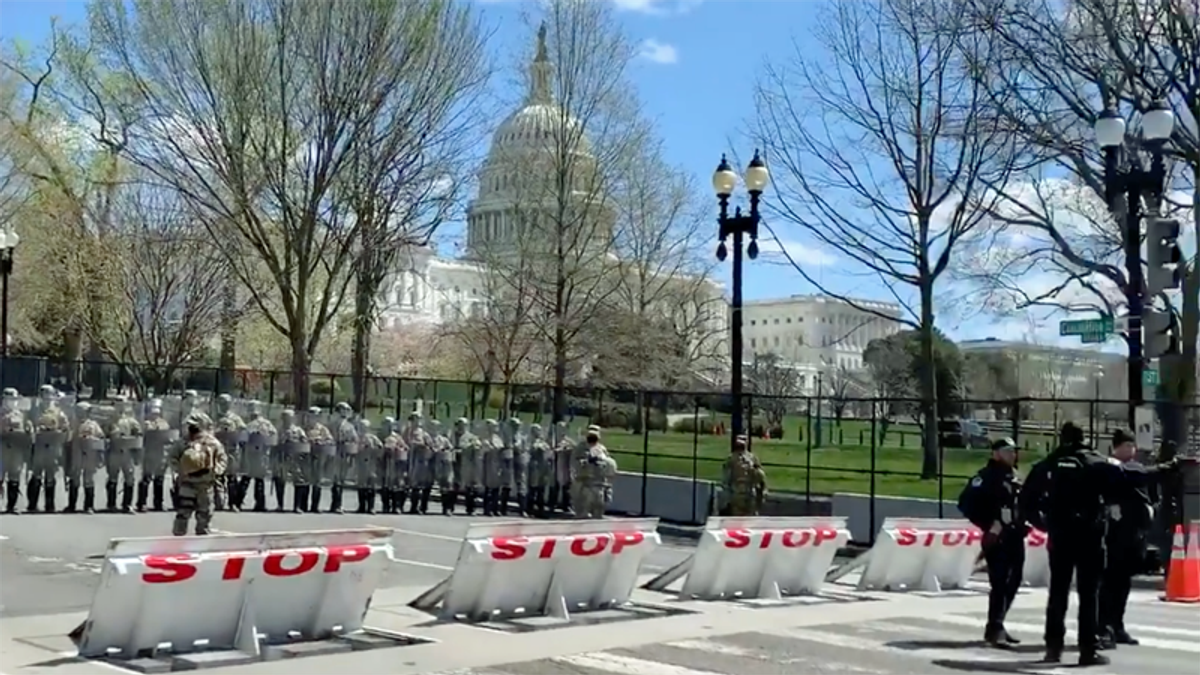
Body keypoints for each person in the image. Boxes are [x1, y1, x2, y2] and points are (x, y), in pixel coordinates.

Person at [1021, 422, 1140, 667]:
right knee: (1089, 595)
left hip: (1060, 536)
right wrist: (1167, 469)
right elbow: (1129, 479)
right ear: (1084, 438)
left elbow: (1026, 500)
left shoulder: (1049, 464)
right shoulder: (1094, 462)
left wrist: (1042, 524)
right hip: (1089, 536)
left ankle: (1053, 647)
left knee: (1058, 592)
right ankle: (1088, 649)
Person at [1099, 429, 1181, 649]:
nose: (1130, 449)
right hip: (1112, 535)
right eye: (1126, 445)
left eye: (1131, 445)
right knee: (1110, 584)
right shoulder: (1111, 467)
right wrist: (1166, 467)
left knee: (1122, 583)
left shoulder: (1132, 468)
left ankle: (1116, 625)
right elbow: (1139, 473)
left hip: (1132, 534)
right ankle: (1103, 628)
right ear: (1116, 447)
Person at [958, 437, 1026, 647]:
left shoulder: (1015, 476)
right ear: (995, 454)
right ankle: (995, 627)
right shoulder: (985, 477)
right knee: (999, 582)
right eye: (1007, 451)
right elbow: (966, 504)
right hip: (996, 537)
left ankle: (998, 624)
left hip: (1015, 535)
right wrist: (989, 524)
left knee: (1014, 581)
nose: (1012, 455)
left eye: (1013, 451)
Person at [172, 411, 227, 536]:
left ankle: (201, 542)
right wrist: (180, 470)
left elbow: (222, 459)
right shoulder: (183, 443)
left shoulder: (213, 443)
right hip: (187, 484)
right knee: (182, 513)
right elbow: (173, 457)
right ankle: (177, 542)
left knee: (205, 514)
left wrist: (216, 471)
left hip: (205, 485)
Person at [721, 436, 767, 516]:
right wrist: (728, 496)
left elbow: (760, 475)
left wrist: (762, 491)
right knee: (737, 517)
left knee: (751, 517)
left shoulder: (753, 458)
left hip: (750, 493)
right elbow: (726, 478)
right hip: (737, 493)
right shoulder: (731, 459)